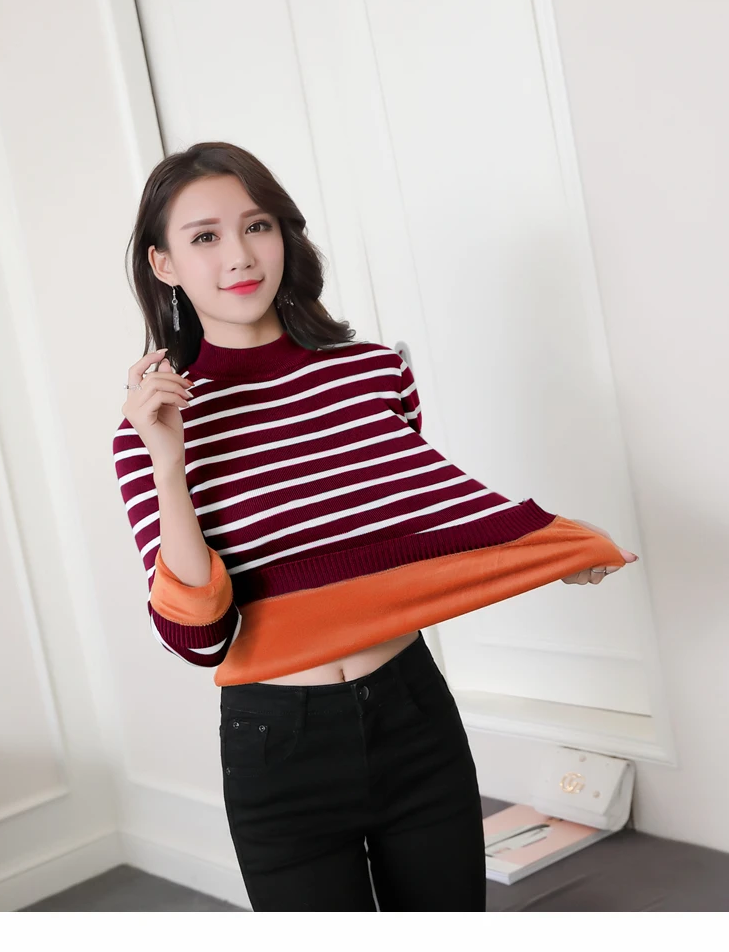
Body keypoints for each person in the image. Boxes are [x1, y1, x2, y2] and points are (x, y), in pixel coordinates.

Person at [112, 141, 639, 912]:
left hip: (412, 713)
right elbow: (198, 638)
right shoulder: (153, 424)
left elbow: (418, 519)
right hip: (277, 746)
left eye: (256, 226)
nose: (240, 255)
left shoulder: (373, 371)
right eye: (205, 237)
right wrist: (168, 461)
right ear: (164, 264)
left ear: (284, 235)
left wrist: (550, 545)